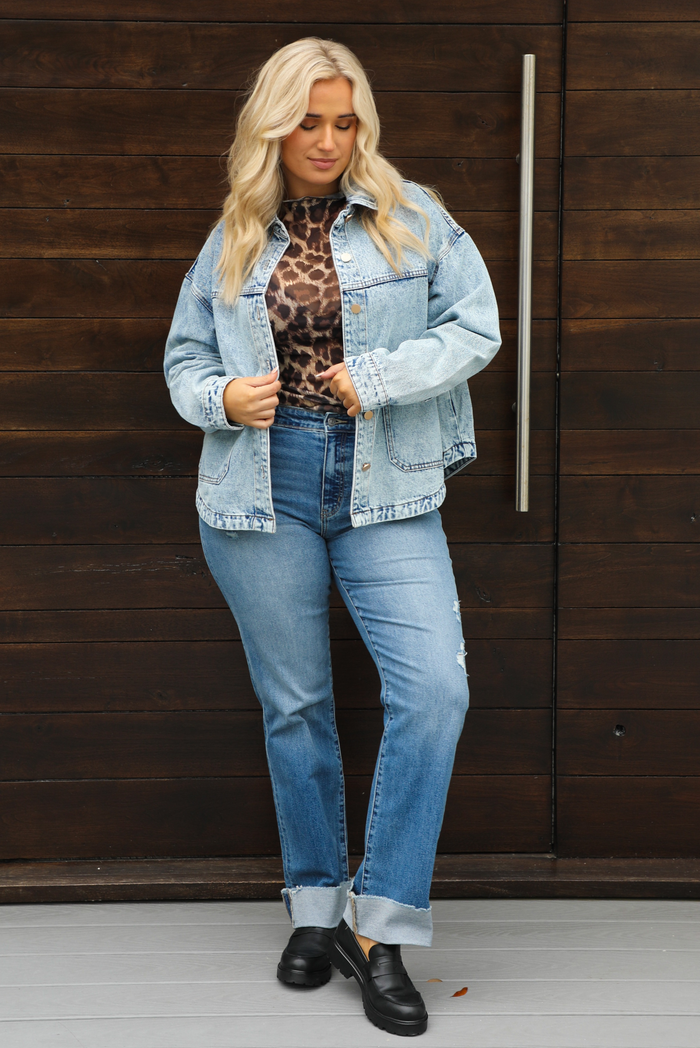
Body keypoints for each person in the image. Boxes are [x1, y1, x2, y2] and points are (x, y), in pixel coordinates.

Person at [164, 36, 500, 1038]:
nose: (326, 140)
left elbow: (476, 327)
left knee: (435, 690)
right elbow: (184, 359)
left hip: (385, 480)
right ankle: (314, 908)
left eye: (344, 121)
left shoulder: (413, 215)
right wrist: (222, 397)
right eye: (306, 121)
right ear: (272, 126)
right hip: (260, 487)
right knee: (297, 707)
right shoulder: (234, 233)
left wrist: (383, 376)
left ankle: (377, 928)